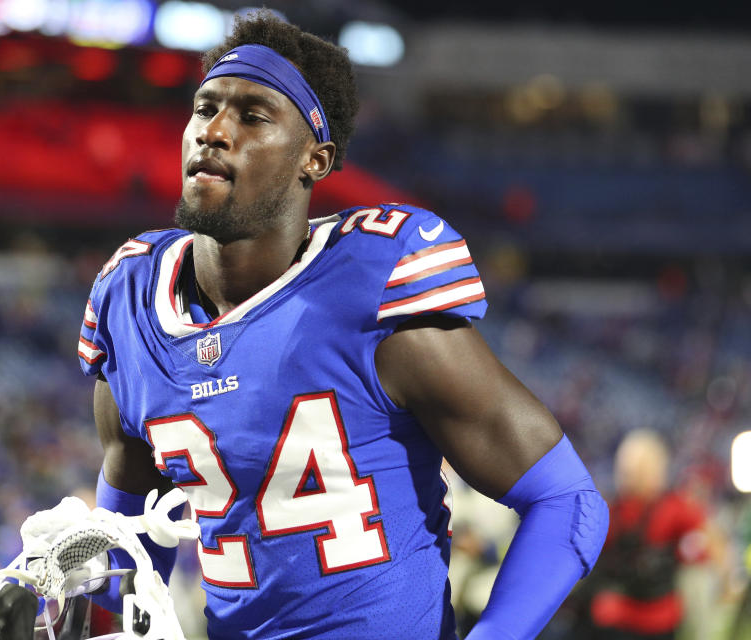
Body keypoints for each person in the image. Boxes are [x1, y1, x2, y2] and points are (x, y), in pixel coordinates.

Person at [74, 11, 609, 640]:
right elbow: (132, 546)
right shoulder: (131, 305)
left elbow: (566, 500)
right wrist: (88, 619)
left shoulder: (373, 294)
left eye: (252, 115)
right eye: (204, 107)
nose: (214, 132)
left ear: (314, 159)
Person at [576, 429, 708, 640]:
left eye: (640, 467)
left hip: (655, 619)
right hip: (611, 617)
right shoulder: (613, 508)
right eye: (629, 467)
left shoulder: (676, 509)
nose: (631, 473)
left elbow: (704, 547)